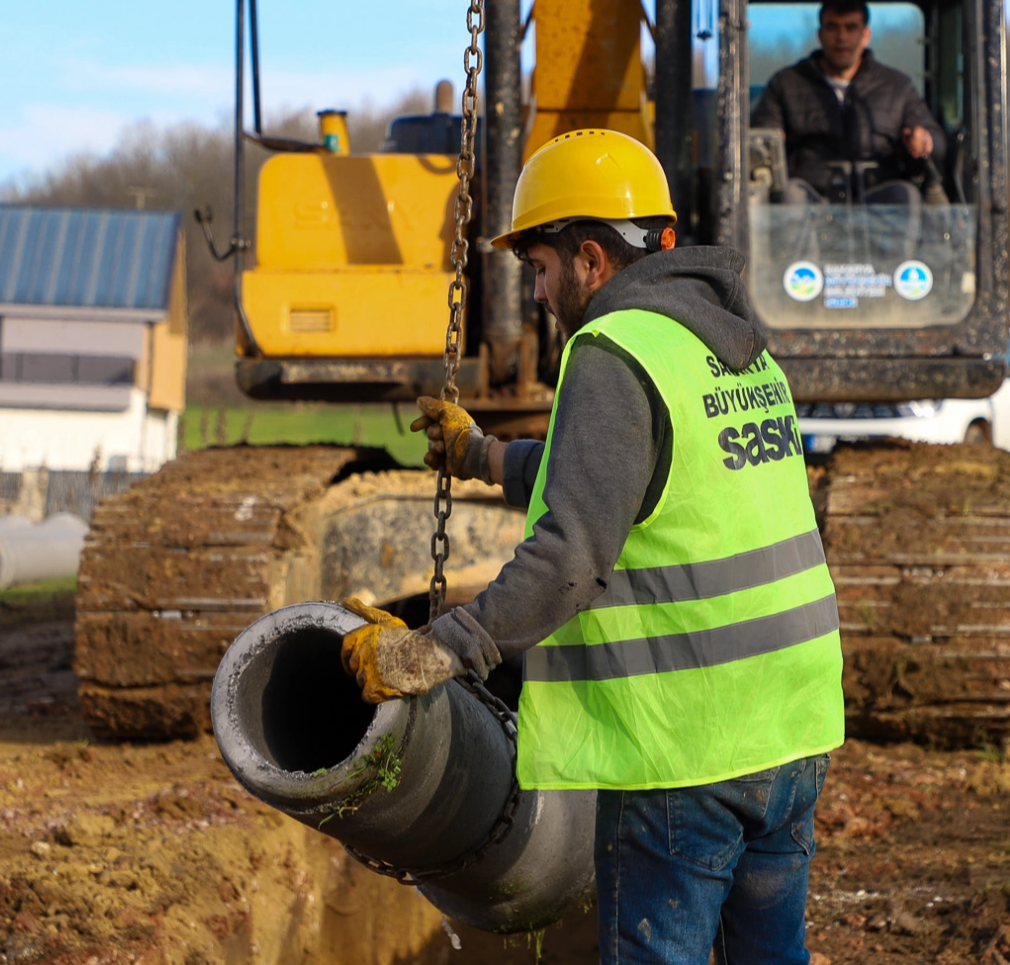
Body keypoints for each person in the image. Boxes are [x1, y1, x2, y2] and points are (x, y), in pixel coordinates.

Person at [340, 129, 845, 965]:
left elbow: (569, 557)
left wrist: (433, 652)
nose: (536, 292)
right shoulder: (731, 347)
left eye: (538, 268)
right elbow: (640, 478)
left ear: (590, 257)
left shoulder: (612, 350)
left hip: (689, 748)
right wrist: (481, 456)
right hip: (790, 726)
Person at [751, 0, 945, 207]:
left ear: (865, 35)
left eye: (851, 28)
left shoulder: (897, 86)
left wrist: (925, 140)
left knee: (904, 195)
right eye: (832, 28)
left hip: (877, 197)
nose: (841, 37)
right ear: (820, 34)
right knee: (789, 196)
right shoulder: (786, 84)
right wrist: (772, 141)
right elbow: (762, 139)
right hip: (811, 196)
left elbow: (934, 140)